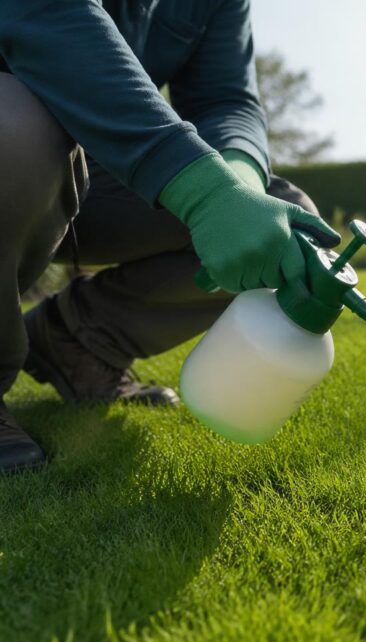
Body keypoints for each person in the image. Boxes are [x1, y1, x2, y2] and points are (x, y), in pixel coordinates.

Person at [0, 1, 341, 472]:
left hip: (91, 171)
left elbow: (225, 99)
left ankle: (76, 338)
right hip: (16, 150)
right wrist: (204, 193)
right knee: (15, 124)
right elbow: (50, 17)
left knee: (286, 221)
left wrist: (237, 192)